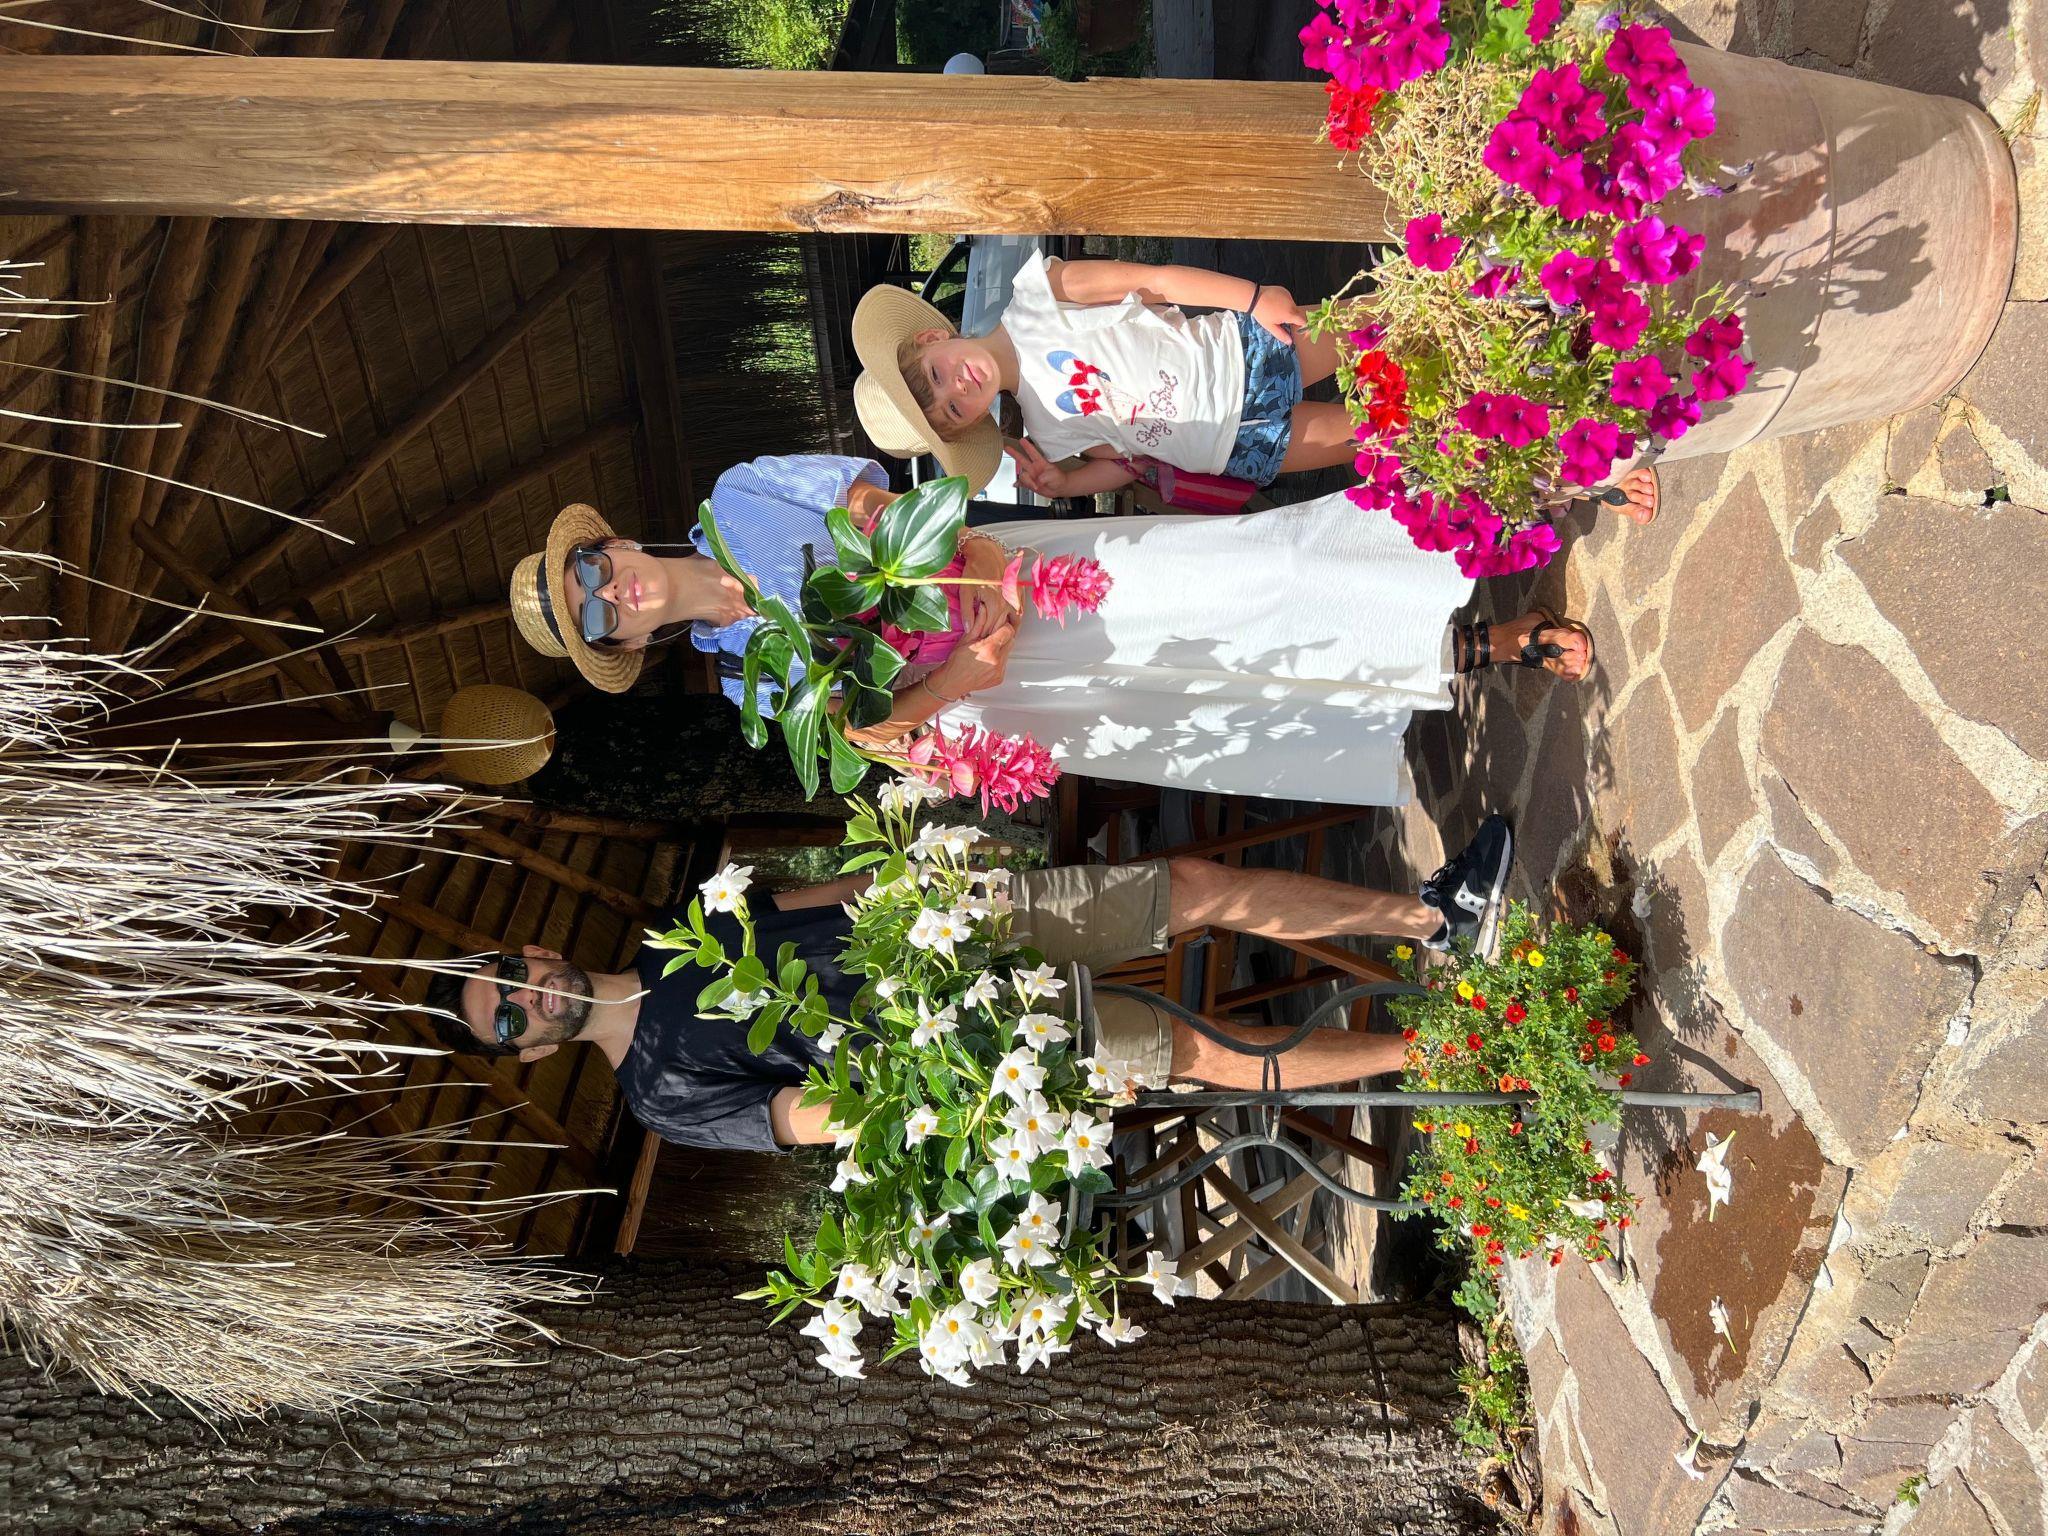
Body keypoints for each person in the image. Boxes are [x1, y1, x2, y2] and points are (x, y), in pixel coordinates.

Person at [504, 456, 1596, 806]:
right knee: (1214, 686)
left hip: (1009, 578)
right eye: (595, 615)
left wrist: (966, 577)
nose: (612, 594)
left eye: (591, 571)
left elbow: (871, 503)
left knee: (1249, 573)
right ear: (622, 647)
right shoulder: (747, 682)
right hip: (1005, 685)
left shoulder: (738, 494)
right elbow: (870, 733)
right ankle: (1488, 647)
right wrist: (960, 682)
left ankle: (1503, 499)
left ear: (615, 543)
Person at [425, 817, 1515, 1153]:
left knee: (1185, 888)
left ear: (529, 951)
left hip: (966, 926)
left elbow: (824, 897)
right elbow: (811, 1118)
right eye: (509, 1020)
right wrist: (951, 1083)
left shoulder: (678, 930)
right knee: (1196, 1053)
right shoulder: (657, 1097)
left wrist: (932, 870)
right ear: (530, 1049)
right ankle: (1442, 1051)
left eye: (507, 977)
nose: (528, 997)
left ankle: (1435, 916)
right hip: (977, 1044)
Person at [849, 255, 1354, 502]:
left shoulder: (1039, 297)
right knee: (1381, 434)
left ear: (931, 338)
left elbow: (1156, 281)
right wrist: (1069, 483)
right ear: (969, 423)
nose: (957, 388)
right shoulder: (1047, 434)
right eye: (953, 410)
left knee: (1386, 327)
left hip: (1242, 356)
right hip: (1237, 449)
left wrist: (1253, 297)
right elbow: (1130, 461)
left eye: (936, 375)